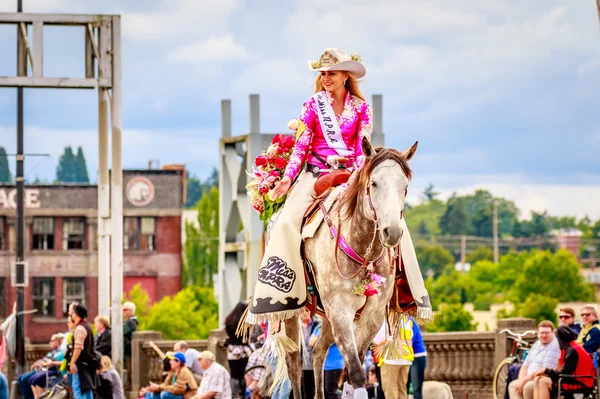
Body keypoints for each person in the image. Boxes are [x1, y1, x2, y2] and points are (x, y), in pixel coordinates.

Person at [246, 48, 372, 328]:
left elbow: (362, 148)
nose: (326, 78)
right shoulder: (313, 106)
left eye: (332, 73)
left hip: (351, 174)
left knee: (389, 217)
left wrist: (355, 172)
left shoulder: (362, 108)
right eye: (323, 74)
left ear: (345, 76)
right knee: (286, 223)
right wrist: (287, 179)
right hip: (314, 174)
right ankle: (281, 291)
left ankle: (403, 289)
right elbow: (302, 147)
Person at [532, 326, 595, 399]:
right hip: (574, 379)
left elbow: (565, 374)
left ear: (561, 339)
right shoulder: (570, 347)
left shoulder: (572, 351)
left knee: (543, 382)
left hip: (581, 382)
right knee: (538, 379)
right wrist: (548, 372)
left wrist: (546, 370)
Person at [508, 320, 560, 399]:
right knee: (513, 386)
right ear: (537, 334)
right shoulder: (537, 343)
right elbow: (525, 365)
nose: (544, 335)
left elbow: (544, 372)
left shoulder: (554, 346)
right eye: (541, 333)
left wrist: (524, 381)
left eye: (547, 333)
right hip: (529, 379)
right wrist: (521, 380)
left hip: (541, 379)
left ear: (553, 333)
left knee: (527, 387)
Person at [68, 304, 99, 399]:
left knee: (78, 390)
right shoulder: (87, 326)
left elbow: (78, 347)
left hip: (80, 365)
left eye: (72, 312)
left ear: (76, 314)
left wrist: (72, 363)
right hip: (88, 364)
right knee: (87, 390)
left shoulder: (80, 328)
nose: (71, 314)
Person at [18, 334, 64, 399]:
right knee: (23, 378)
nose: (49, 343)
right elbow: (45, 359)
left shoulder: (62, 351)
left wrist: (49, 363)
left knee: (33, 379)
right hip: (43, 369)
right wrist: (39, 362)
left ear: (58, 341)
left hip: (54, 370)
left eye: (52, 341)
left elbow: (62, 362)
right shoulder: (52, 351)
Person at [224, 302, 253, 398]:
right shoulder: (246, 322)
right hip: (243, 349)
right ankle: (242, 394)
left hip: (232, 349)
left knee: (233, 374)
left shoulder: (229, 320)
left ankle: (234, 395)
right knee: (242, 373)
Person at [408, 316, 426, 399]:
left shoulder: (409, 320)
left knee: (416, 388)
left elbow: (410, 339)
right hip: (408, 358)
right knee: (405, 386)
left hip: (417, 357)